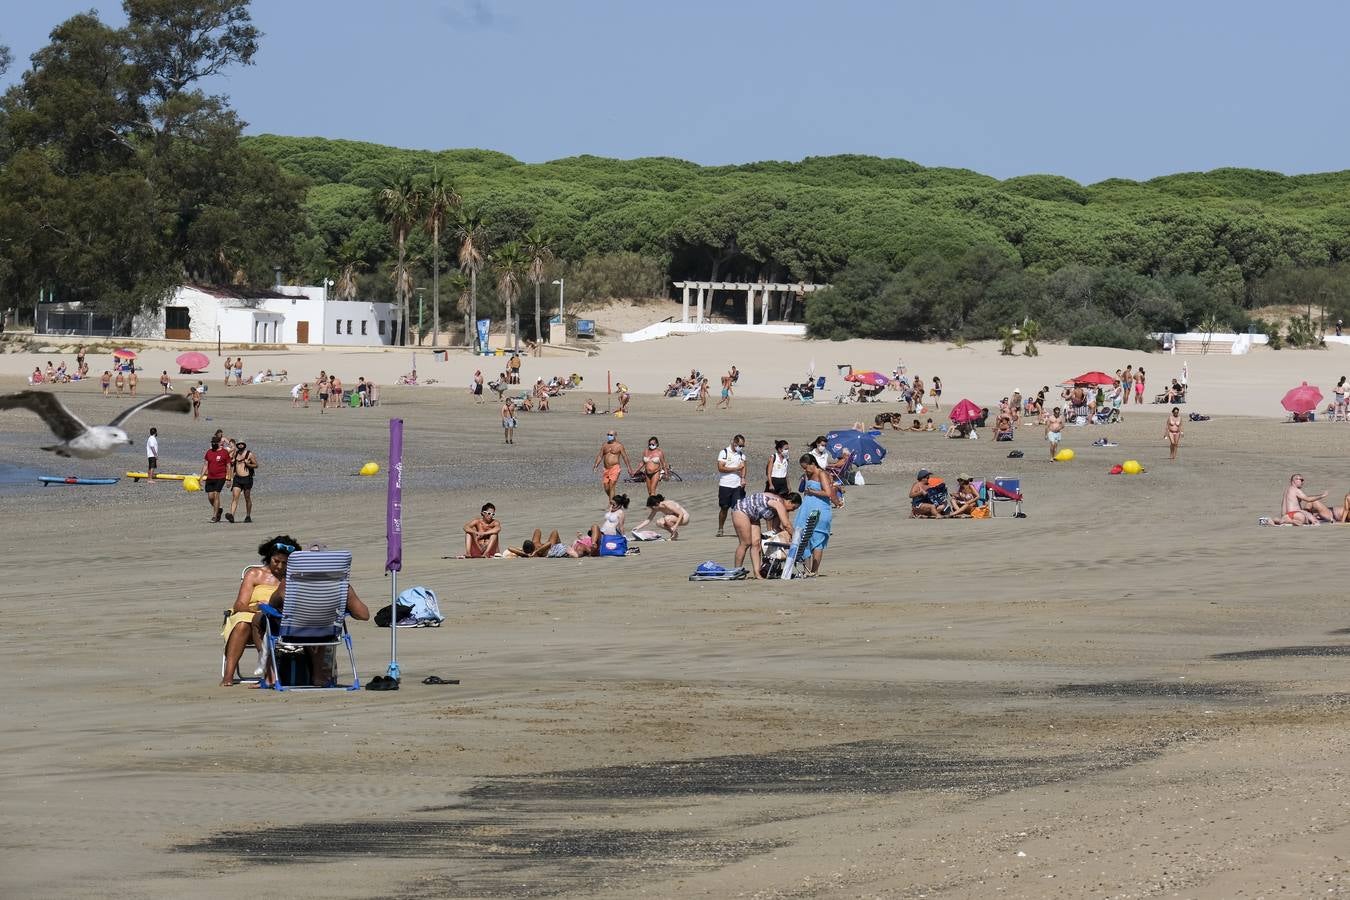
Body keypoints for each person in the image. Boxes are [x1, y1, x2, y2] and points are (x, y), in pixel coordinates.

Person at [265, 543, 370, 686]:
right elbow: (364, 615)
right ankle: (319, 675)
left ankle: (272, 675)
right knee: (318, 623)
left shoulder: (290, 583)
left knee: (305, 623)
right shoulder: (341, 585)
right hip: (328, 633)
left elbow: (272, 604)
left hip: (294, 632)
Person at [221, 535, 298, 686]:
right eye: (276, 561)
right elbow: (239, 605)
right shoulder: (255, 574)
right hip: (249, 613)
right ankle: (228, 676)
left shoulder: (292, 577)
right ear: (269, 557)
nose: (280, 567)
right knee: (243, 623)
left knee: (261, 621)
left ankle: (270, 672)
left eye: (285, 563)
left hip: (276, 617)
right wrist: (254, 608)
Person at [731, 491, 799, 579]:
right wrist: (795, 537)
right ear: (789, 501)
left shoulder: (779, 509)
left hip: (754, 516)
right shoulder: (779, 503)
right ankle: (736, 571)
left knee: (756, 543)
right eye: (794, 507)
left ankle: (757, 573)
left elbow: (776, 527)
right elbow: (786, 524)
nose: (792, 510)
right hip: (741, 510)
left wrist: (787, 536)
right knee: (746, 543)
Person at [795, 454, 840, 575]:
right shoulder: (807, 474)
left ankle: (814, 571)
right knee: (804, 539)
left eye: (806, 467)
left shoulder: (822, 474)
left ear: (812, 464)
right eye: (803, 468)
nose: (805, 470)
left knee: (818, 539)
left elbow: (828, 493)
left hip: (820, 510)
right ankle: (806, 570)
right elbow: (803, 491)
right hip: (807, 509)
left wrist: (812, 491)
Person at [716, 434, 748, 536]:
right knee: (724, 507)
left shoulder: (741, 455)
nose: (741, 447)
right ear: (734, 443)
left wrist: (743, 478)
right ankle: (720, 528)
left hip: (737, 486)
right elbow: (721, 468)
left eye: (742, 446)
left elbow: (743, 467)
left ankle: (739, 530)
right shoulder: (724, 452)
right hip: (725, 484)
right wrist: (736, 468)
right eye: (739, 445)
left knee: (737, 509)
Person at [592, 430, 631, 504]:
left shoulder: (619, 446)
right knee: (606, 487)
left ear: (615, 435)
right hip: (606, 469)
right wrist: (595, 465)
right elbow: (600, 455)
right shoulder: (605, 445)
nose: (609, 436)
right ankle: (615, 500)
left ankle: (611, 505)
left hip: (615, 468)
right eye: (608, 434)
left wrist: (629, 468)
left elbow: (625, 457)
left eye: (611, 435)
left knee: (612, 485)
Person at [201, 436, 231, 523]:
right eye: (212, 443)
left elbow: (228, 466)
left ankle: (214, 516)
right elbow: (205, 465)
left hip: (220, 477)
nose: (213, 444)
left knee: (216, 494)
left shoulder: (224, 452)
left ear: (219, 443)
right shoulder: (209, 452)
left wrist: (228, 479)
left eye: (215, 443)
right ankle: (219, 509)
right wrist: (201, 477)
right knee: (210, 497)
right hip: (210, 477)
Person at [227, 440, 258, 523]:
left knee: (247, 497)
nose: (240, 445)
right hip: (237, 478)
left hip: (247, 479)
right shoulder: (236, 453)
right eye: (239, 444)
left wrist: (248, 464)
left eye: (242, 444)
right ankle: (231, 515)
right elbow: (232, 466)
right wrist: (229, 479)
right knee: (235, 497)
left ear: (244, 445)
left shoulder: (249, 454)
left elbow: (256, 465)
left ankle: (248, 516)